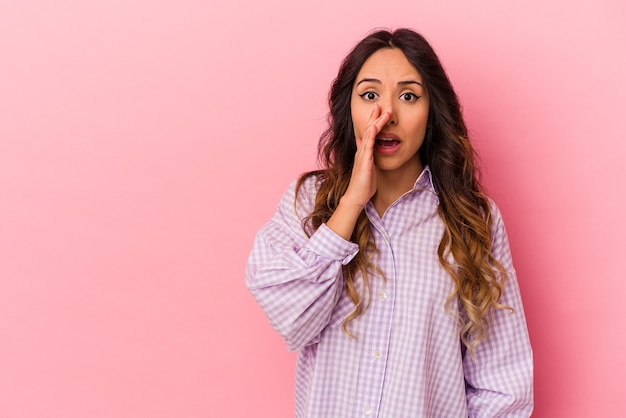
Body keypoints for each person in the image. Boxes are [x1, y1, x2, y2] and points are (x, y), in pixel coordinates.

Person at [245, 28, 533, 417]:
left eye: (409, 96)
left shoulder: (473, 219)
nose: (387, 114)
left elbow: (504, 381)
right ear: (349, 108)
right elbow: (292, 319)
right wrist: (350, 205)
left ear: (432, 112)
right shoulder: (309, 202)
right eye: (369, 95)